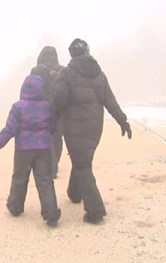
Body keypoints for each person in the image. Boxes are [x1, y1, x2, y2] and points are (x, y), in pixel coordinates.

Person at [53, 38, 132, 224]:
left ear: (72, 53)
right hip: (95, 128)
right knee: (82, 160)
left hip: (74, 127)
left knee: (82, 165)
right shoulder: (99, 75)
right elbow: (110, 101)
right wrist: (123, 121)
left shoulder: (66, 74)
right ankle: (74, 193)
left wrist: (52, 120)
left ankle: (96, 212)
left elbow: (59, 101)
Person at [0, 75, 61, 227]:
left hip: (23, 150)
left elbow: (9, 129)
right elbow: (53, 127)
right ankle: (51, 212)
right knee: (45, 180)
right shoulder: (47, 106)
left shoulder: (18, 107)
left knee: (20, 178)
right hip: (43, 148)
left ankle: (15, 207)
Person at [30, 46, 64, 179]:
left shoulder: (36, 70)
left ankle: (50, 165)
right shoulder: (62, 70)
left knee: (45, 137)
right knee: (57, 137)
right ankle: (56, 162)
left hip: (41, 109)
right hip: (58, 108)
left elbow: (31, 88)